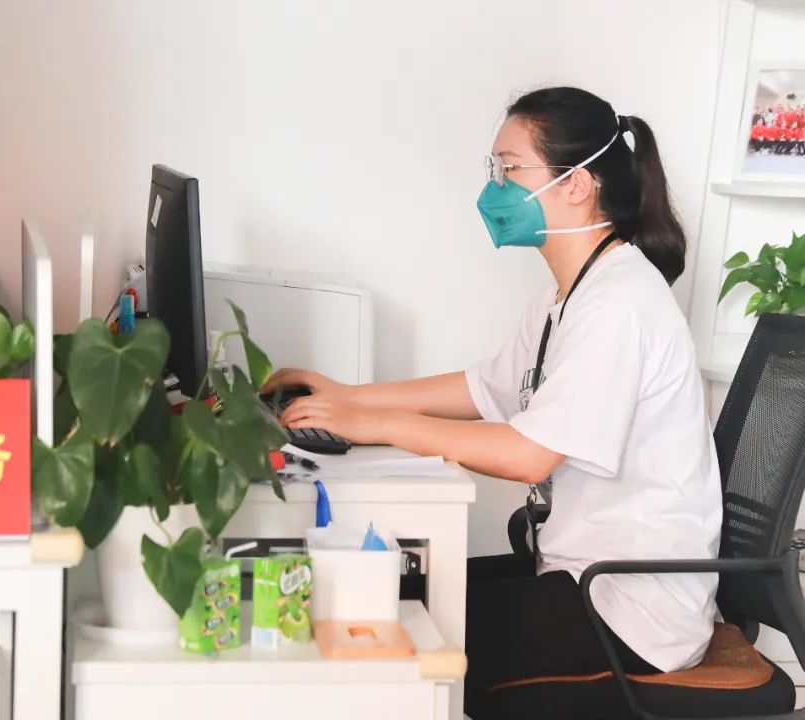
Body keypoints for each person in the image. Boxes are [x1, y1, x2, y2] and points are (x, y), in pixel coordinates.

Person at [263, 86, 722, 720]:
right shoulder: (571, 293)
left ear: (576, 184)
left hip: (631, 614)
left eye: (509, 169)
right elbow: (482, 388)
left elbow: (529, 455)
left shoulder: (619, 305)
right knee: (410, 596)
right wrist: (346, 396)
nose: (494, 187)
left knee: (408, 631)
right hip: (584, 578)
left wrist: (378, 424)